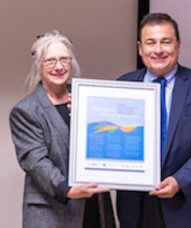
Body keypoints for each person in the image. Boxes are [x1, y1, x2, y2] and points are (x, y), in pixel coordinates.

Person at [116, 13, 191, 228]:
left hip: (188, 203)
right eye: (150, 43)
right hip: (137, 207)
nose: (158, 49)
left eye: (166, 42)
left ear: (178, 45)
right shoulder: (123, 85)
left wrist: (180, 180)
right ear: (140, 48)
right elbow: (111, 134)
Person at [9, 30, 115, 228]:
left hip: (94, 205)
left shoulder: (88, 100)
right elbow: (35, 161)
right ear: (38, 67)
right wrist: (65, 189)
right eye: (50, 61)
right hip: (54, 209)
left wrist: (86, 116)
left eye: (64, 60)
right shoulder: (25, 111)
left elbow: (106, 139)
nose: (59, 67)